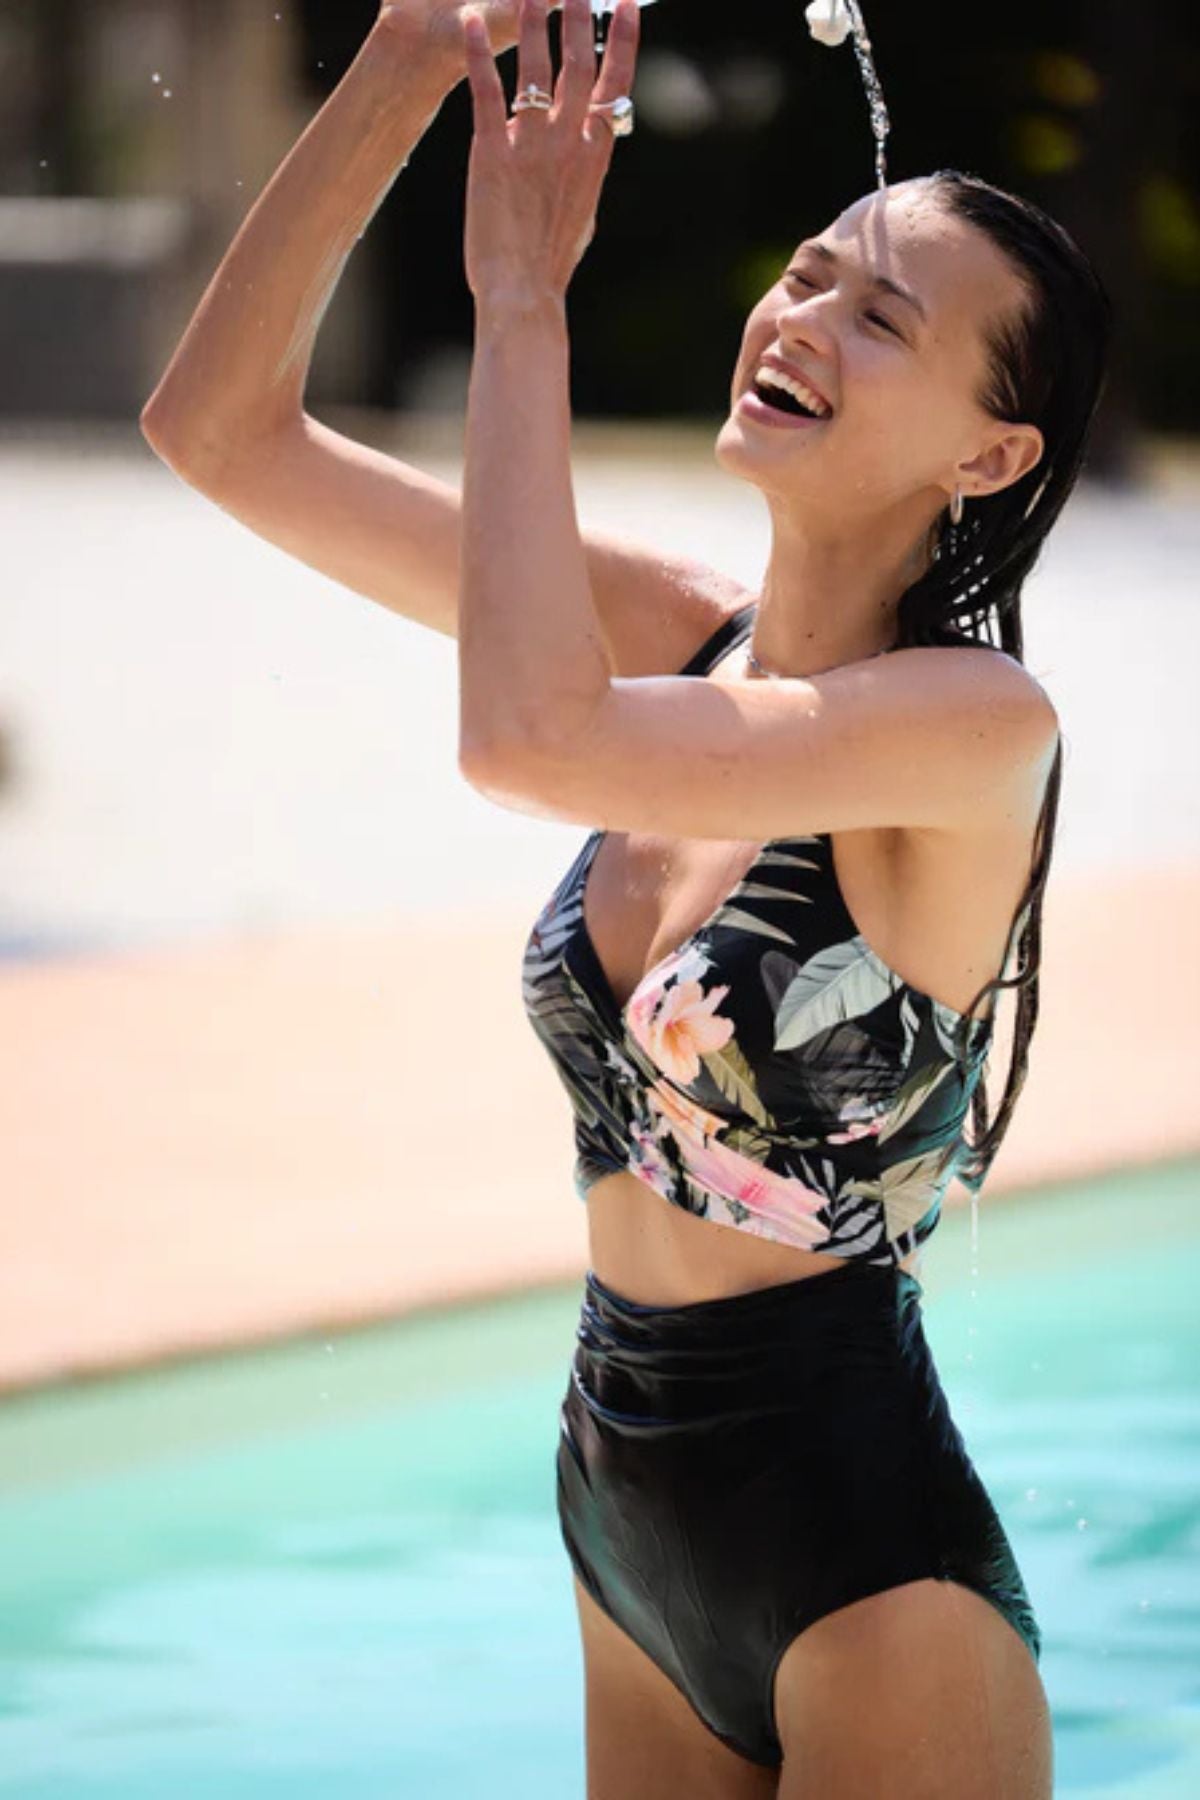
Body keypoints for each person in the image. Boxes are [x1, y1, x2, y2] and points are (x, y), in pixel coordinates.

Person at [140, 0, 1112, 1791]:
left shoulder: (976, 728)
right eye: (808, 276)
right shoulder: (688, 638)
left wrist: (524, 305)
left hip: (868, 1567)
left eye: (882, 318)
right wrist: (406, 62)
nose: (802, 318)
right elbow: (219, 433)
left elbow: (527, 740)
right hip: (623, 1503)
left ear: (988, 456)